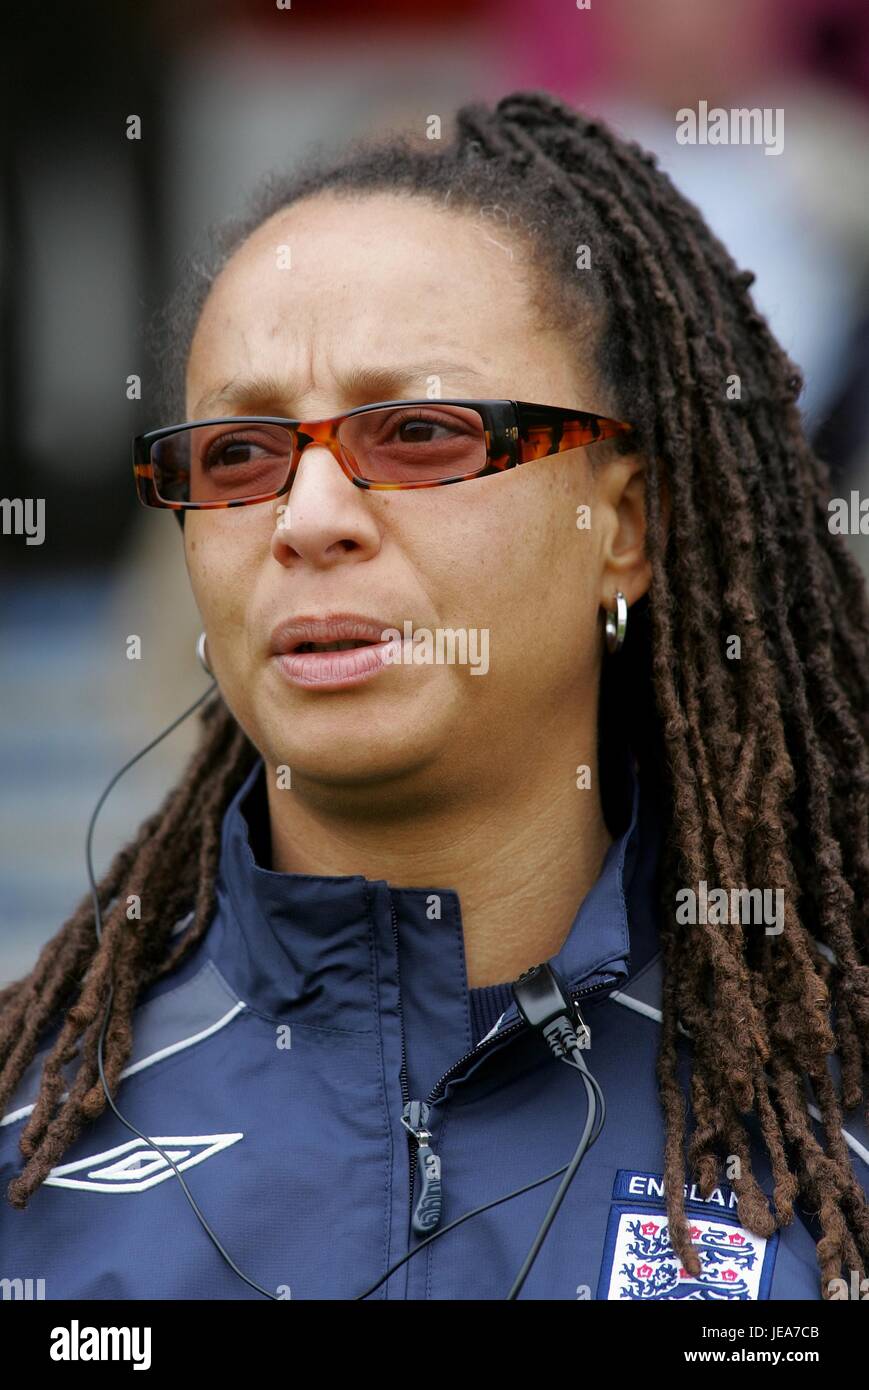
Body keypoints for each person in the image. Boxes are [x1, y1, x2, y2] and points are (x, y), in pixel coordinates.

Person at [1, 90, 867, 1301]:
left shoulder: (833, 1146)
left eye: (416, 431)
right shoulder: (26, 1143)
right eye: (239, 456)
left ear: (623, 526)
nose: (305, 520)